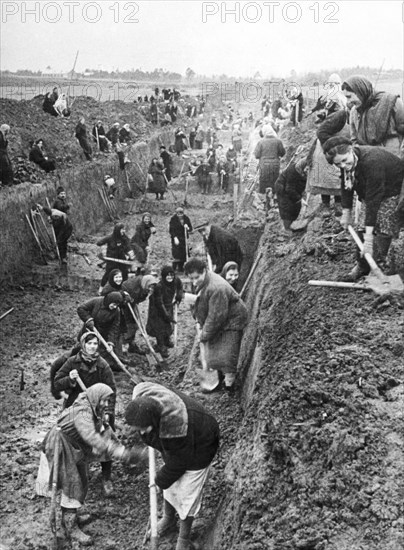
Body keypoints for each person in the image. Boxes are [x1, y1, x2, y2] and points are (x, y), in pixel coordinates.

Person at [36, 383, 146, 546]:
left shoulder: (93, 406)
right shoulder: (82, 412)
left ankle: (71, 516)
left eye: (108, 401)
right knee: (72, 485)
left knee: (82, 481)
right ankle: (70, 528)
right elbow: (91, 437)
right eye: (104, 401)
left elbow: (105, 430)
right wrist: (120, 453)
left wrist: (119, 446)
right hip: (60, 446)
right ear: (96, 398)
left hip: (73, 446)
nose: (107, 405)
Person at [125, 381, 220, 550]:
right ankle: (168, 519)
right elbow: (170, 455)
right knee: (171, 483)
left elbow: (180, 462)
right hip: (179, 442)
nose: (140, 432)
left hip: (202, 442)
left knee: (187, 493)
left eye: (143, 428)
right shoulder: (141, 397)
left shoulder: (175, 425)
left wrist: (159, 481)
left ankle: (183, 539)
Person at [323, 136, 404, 280]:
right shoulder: (348, 162)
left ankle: (378, 268)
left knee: (383, 229)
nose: (343, 166)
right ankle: (362, 266)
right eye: (338, 164)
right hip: (371, 191)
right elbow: (346, 186)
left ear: (350, 150)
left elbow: (373, 201)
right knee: (361, 227)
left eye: (344, 161)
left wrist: (369, 240)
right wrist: (346, 212)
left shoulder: (372, 162)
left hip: (393, 189)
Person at [53, 332, 117, 496]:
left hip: (99, 409)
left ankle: (106, 478)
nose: (92, 347)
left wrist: (108, 412)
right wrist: (70, 379)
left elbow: (112, 391)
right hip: (77, 407)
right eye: (89, 343)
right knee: (76, 442)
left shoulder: (103, 365)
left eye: (95, 344)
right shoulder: (72, 362)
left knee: (104, 440)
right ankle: (80, 473)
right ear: (83, 345)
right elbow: (57, 383)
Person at [185, 258, 248, 392]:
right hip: (220, 317)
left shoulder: (216, 287)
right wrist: (198, 320)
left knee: (227, 352)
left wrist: (204, 334)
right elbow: (201, 304)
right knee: (212, 350)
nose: (194, 282)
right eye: (191, 279)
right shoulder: (203, 282)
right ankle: (216, 380)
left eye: (197, 277)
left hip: (232, 320)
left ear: (204, 271)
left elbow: (216, 317)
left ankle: (230, 384)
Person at [342, 75, 404, 157]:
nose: (348, 102)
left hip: (393, 159)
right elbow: (354, 140)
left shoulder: (392, 103)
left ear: (360, 91)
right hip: (368, 160)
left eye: (349, 97)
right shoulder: (354, 112)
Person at [146, 266, 183, 357]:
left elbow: (180, 287)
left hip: (168, 304)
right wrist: (166, 315)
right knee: (159, 326)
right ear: (163, 276)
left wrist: (179, 296)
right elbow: (159, 302)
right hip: (156, 307)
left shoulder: (176, 280)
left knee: (167, 324)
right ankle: (161, 345)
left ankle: (166, 341)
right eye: (167, 275)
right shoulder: (159, 286)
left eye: (171, 275)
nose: (170, 277)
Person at [77, 291, 123, 360]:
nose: (114, 307)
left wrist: (110, 342)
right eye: (113, 304)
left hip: (103, 335)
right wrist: (88, 319)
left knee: (101, 355)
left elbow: (114, 327)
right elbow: (81, 308)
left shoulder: (116, 311)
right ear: (109, 300)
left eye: (117, 305)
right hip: (89, 331)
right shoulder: (96, 301)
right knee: (80, 351)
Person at [275, 159, 308, 233]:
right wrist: (300, 199)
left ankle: (292, 224)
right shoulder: (293, 171)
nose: (306, 170)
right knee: (287, 206)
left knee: (296, 206)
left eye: (308, 169)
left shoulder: (306, 171)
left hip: (293, 189)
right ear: (302, 166)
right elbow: (289, 189)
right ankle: (286, 228)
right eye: (306, 168)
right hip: (282, 188)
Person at [254, 125, 286, 194]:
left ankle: (263, 200)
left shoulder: (261, 142)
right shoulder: (278, 141)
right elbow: (282, 153)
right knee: (274, 182)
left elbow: (256, 155)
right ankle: (274, 200)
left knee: (263, 183)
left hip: (264, 165)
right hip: (275, 165)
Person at [169, 207, 193, 272]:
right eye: (178, 214)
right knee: (176, 252)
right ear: (176, 213)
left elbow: (191, 228)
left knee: (183, 253)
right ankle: (173, 268)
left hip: (184, 238)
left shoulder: (186, 218)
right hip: (176, 238)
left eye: (181, 213)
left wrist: (187, 227)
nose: (180, 215)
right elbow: (171, 230)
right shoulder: (173, 219)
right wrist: (175, 237)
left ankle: (181, 267)